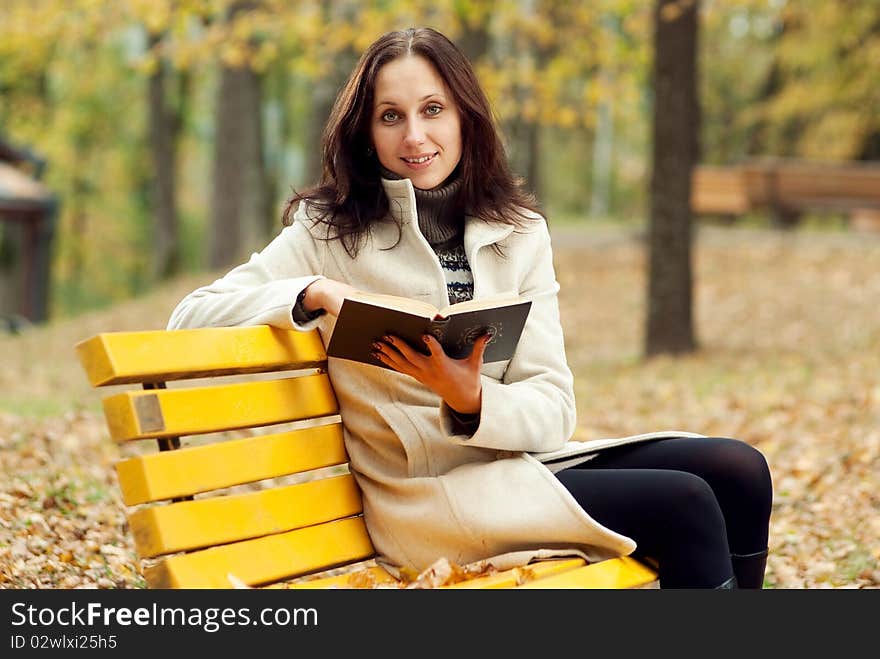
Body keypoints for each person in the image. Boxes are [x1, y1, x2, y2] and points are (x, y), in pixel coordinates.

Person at [167, 26, 772, 588]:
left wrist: (472, 400)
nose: (414, 137)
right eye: (390, 116)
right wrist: (312, 294)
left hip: (519, 466)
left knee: (739, 470)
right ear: (365, 132)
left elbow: (553, 408)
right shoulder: (327, 234)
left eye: (433, 110)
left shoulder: (517, 231)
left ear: (464, 116)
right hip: (428, 501)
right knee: (685, 503)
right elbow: (189, 316)